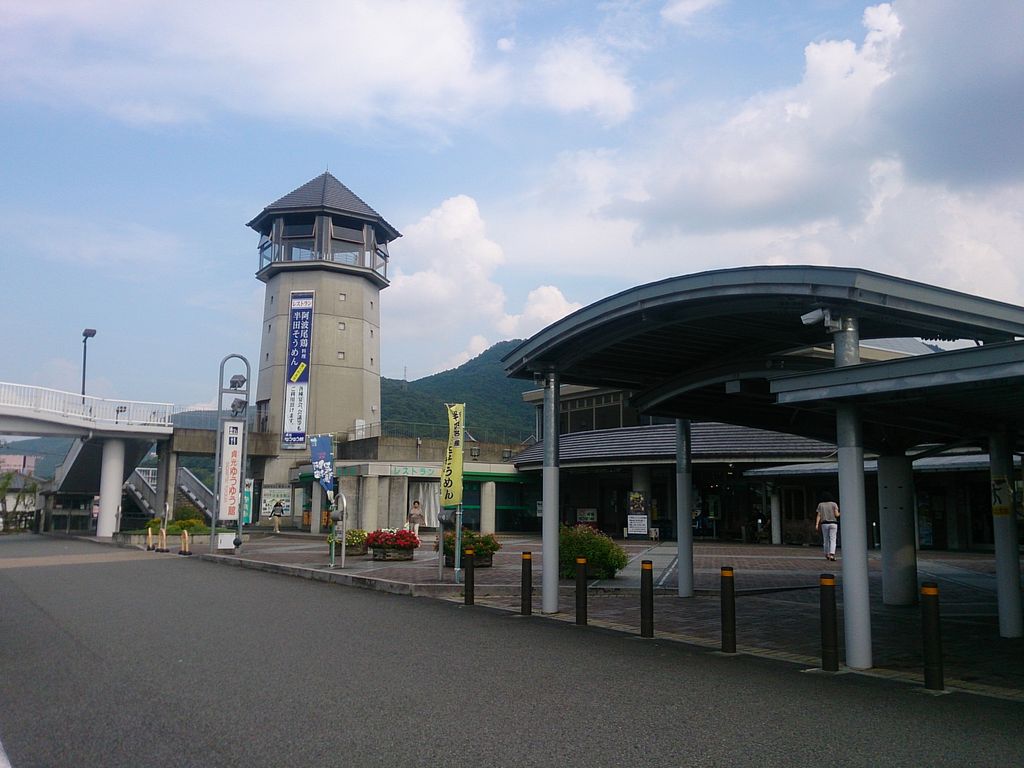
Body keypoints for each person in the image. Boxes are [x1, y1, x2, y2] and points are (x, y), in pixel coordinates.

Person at [815, 492, 840, 561]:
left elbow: (819, 515)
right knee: (833, 539)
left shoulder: (820, 505)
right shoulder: (834, 504)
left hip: (824, 523)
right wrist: (841, 512)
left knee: (825, 539)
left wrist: (817, 524)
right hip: (833, 523)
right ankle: (832, 554)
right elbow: (836, 515)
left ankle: (826, 554)